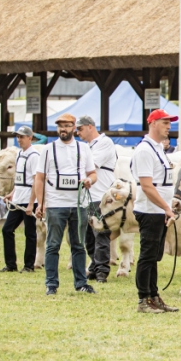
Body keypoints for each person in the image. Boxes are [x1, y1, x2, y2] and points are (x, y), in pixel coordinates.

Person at [32, 114, 97, 295]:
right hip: (55, 203)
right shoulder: (48, 149)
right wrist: (41, 203)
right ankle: (51, 284)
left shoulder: (83, 148)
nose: (63, 129)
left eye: (67, 126)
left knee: (78, 245)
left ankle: (81, 283)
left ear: (74, 127)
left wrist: (89, 181)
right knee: (53, 245)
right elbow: (40, 177)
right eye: (61, 126)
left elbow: (93, 173)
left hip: (79, 203)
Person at [131, 109, 181, 313]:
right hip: (150, 210)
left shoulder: (158, 148)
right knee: (147, 256)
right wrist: (166, 207)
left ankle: (153, 295)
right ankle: (143, 299)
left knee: (154, 256)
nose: (169, 126)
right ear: (152, 123)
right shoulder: (144, 150)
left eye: (169, 122)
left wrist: (169, 205)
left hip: (158, 210)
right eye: (164, 122)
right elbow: (147, 186)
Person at [76, 115, 117, 283]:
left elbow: (90, 166)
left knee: (100, 234)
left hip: (101, 196)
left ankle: (101, 271)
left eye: (80, 129)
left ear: (90, 127)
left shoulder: (104, 143)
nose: (77, 132)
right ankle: (94, 266)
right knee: (88, 237)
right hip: (88, 196)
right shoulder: (88, 146)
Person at [0, 126, 40, 274]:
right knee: (7, 230)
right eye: (18, 137)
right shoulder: (19, 154)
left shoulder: (34, 156)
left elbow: (36, 181)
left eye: (22, 137)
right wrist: (12, 193)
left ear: (29, 138)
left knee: (30, 234)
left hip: (29, 201)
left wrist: (31, 203)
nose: (19, 139)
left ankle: (29, 265)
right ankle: (11, 265)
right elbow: (20, 178)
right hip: (18, 199)